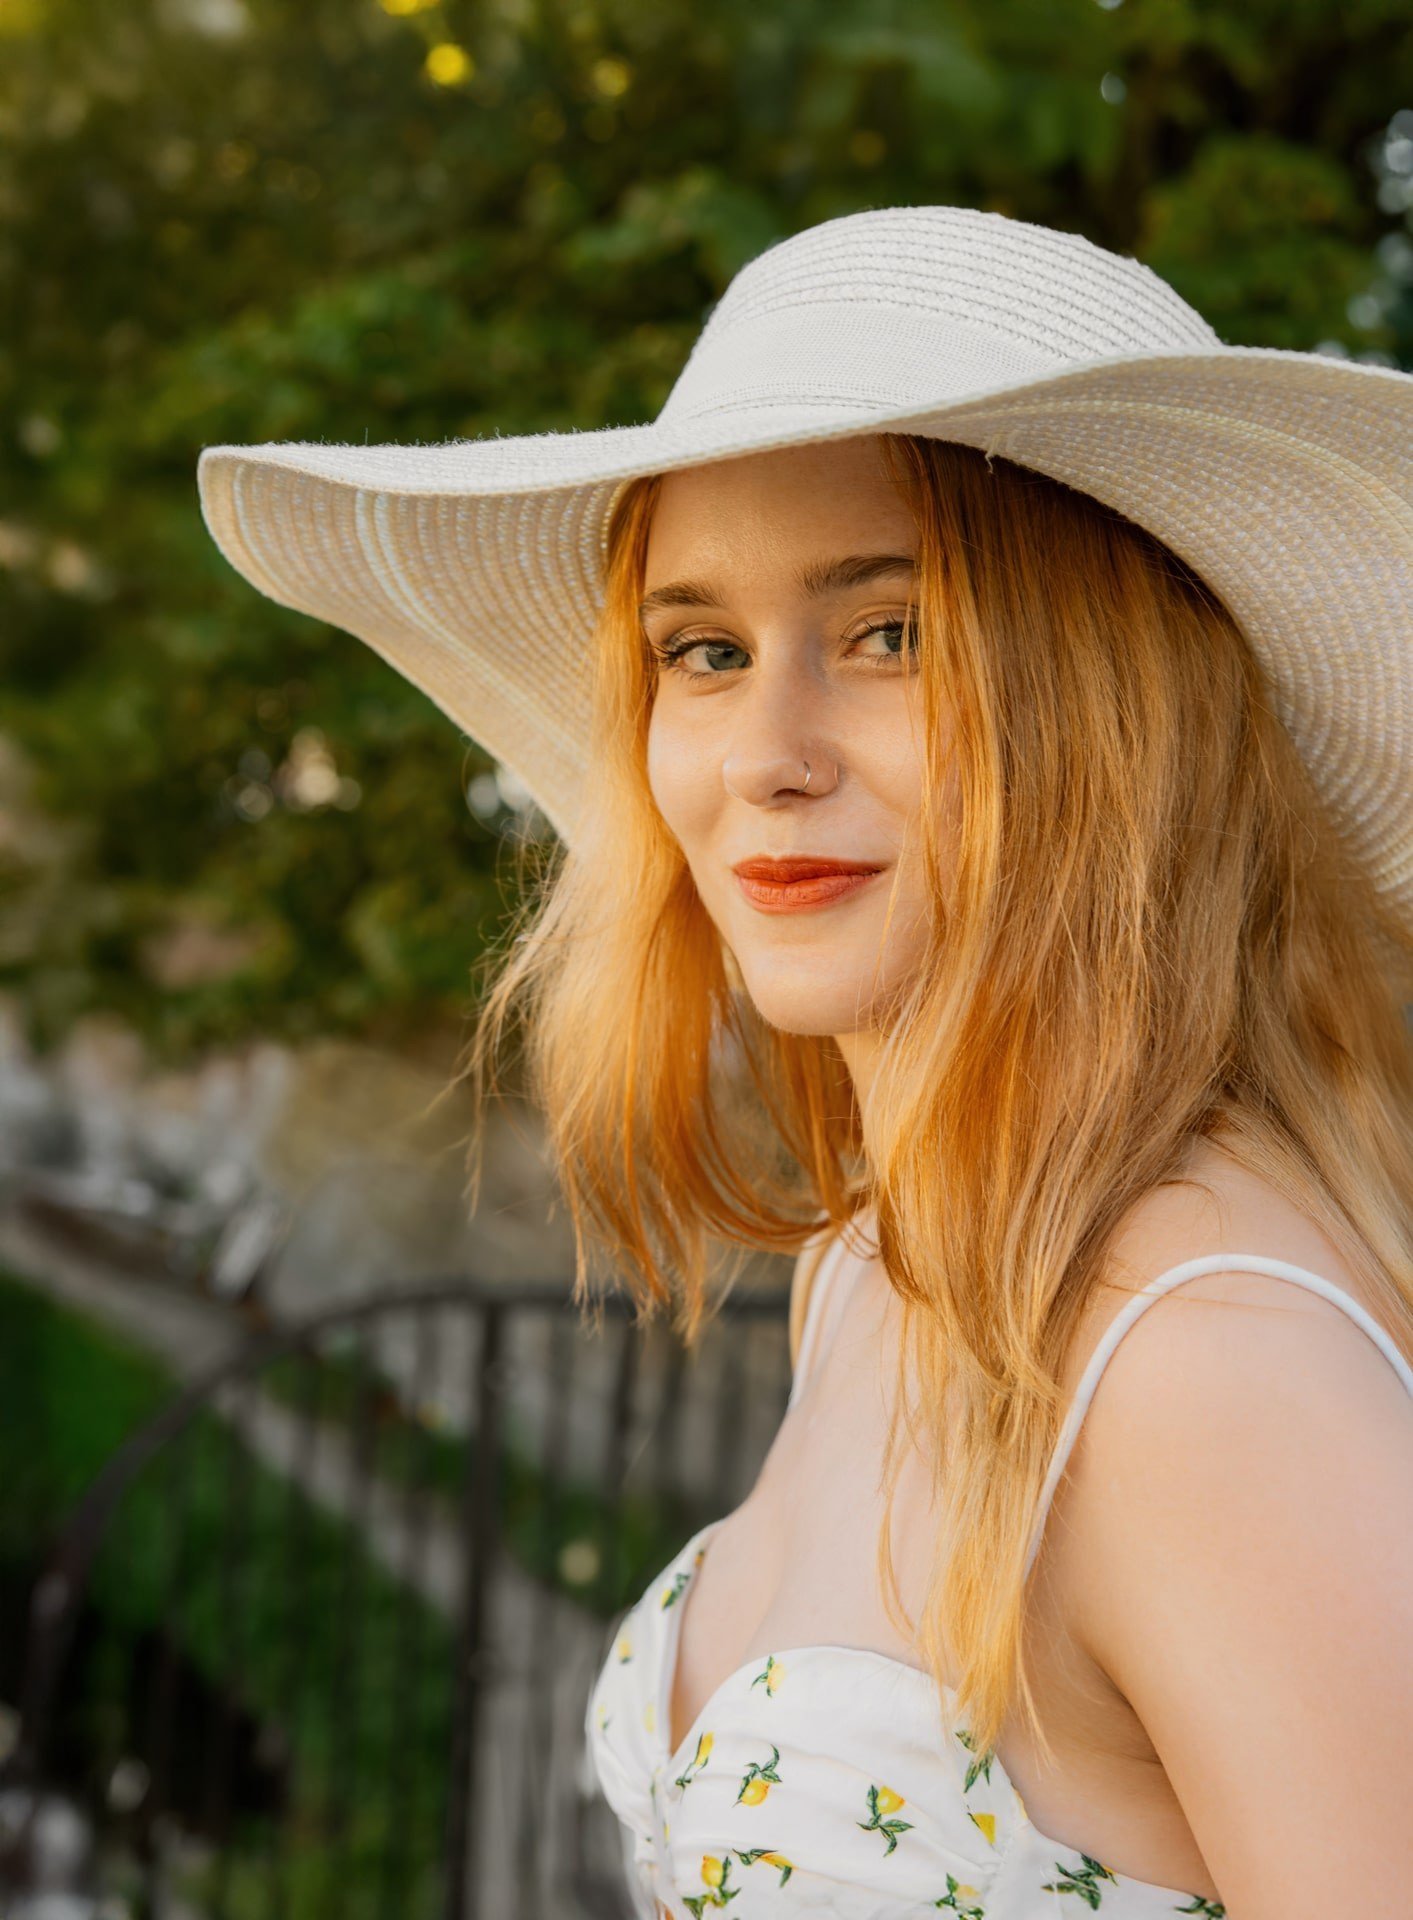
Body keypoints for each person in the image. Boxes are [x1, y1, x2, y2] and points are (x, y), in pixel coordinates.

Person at [198, 205, 1413, 1918]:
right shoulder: (871, 1259)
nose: (762, 755)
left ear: (1118, 707)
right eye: (702, 652)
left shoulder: (1200, 1365)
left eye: (887, 633)